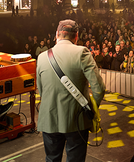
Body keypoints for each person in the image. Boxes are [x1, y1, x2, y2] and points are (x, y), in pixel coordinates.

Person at [36, 19, 105, 162]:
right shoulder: (82, 52)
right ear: (77, 36)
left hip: (49, 119)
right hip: (76, 119)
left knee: (52, 158)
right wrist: (91, 109)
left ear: (56, 34)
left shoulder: (42, 57)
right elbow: (99, 88)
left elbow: (41, 90)